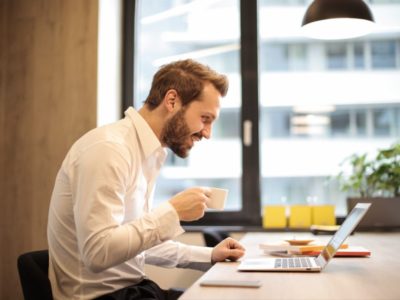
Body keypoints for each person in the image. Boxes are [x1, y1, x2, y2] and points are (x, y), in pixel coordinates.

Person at [47, 59, 245, 300]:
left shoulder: (149, 153)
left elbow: (135, 243)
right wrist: (172, 212)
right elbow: (98, 253)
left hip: (133, 291)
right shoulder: (109, 150)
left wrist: (210, 255)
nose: (207, 133)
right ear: (172, 101)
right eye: (205, 118)